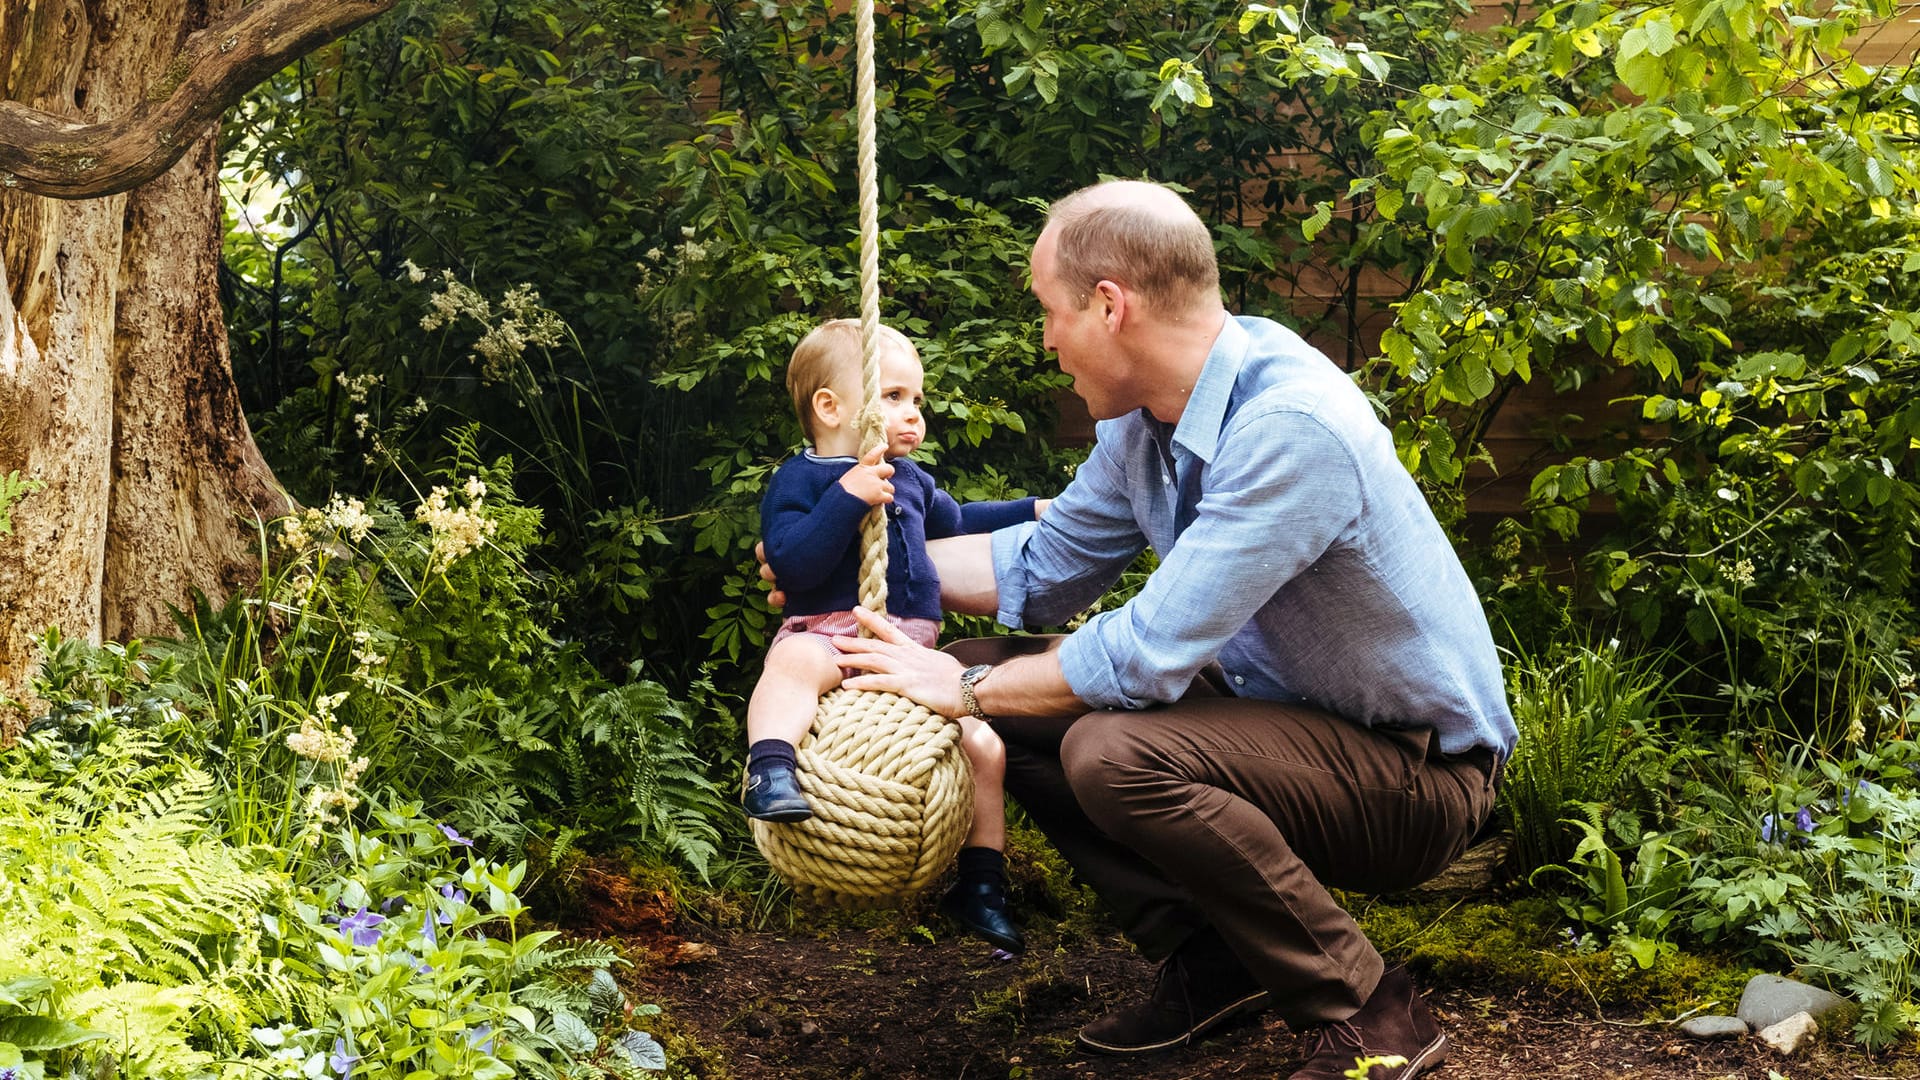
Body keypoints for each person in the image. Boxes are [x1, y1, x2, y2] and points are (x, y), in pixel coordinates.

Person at [772, 181, 1518, 1080]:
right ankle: (1216, 958)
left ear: (1109, 305)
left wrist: (962, 690)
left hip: (1412, 776)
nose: (1047, 341)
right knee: (988, 677)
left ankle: (1367, 1013)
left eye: (1051, 313)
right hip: (1278, 723)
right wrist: (847, 575)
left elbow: (1144, 654)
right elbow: (1044, 566)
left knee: (1109, 750)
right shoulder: (1148, 421)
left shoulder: (1289, 428)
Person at [745, 317, 1045, 955]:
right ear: (830, 407)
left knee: (983, 745)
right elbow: (793, 562)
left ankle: (982, 883)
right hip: (833, 636)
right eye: (894, 396)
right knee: (793, 661)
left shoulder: (909, 478)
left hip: (910, 656)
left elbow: (960, 521)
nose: (914, 414)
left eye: (918, 400)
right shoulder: (800, 482)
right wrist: (848, 497)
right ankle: (769, 768)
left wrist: (1034, 509)